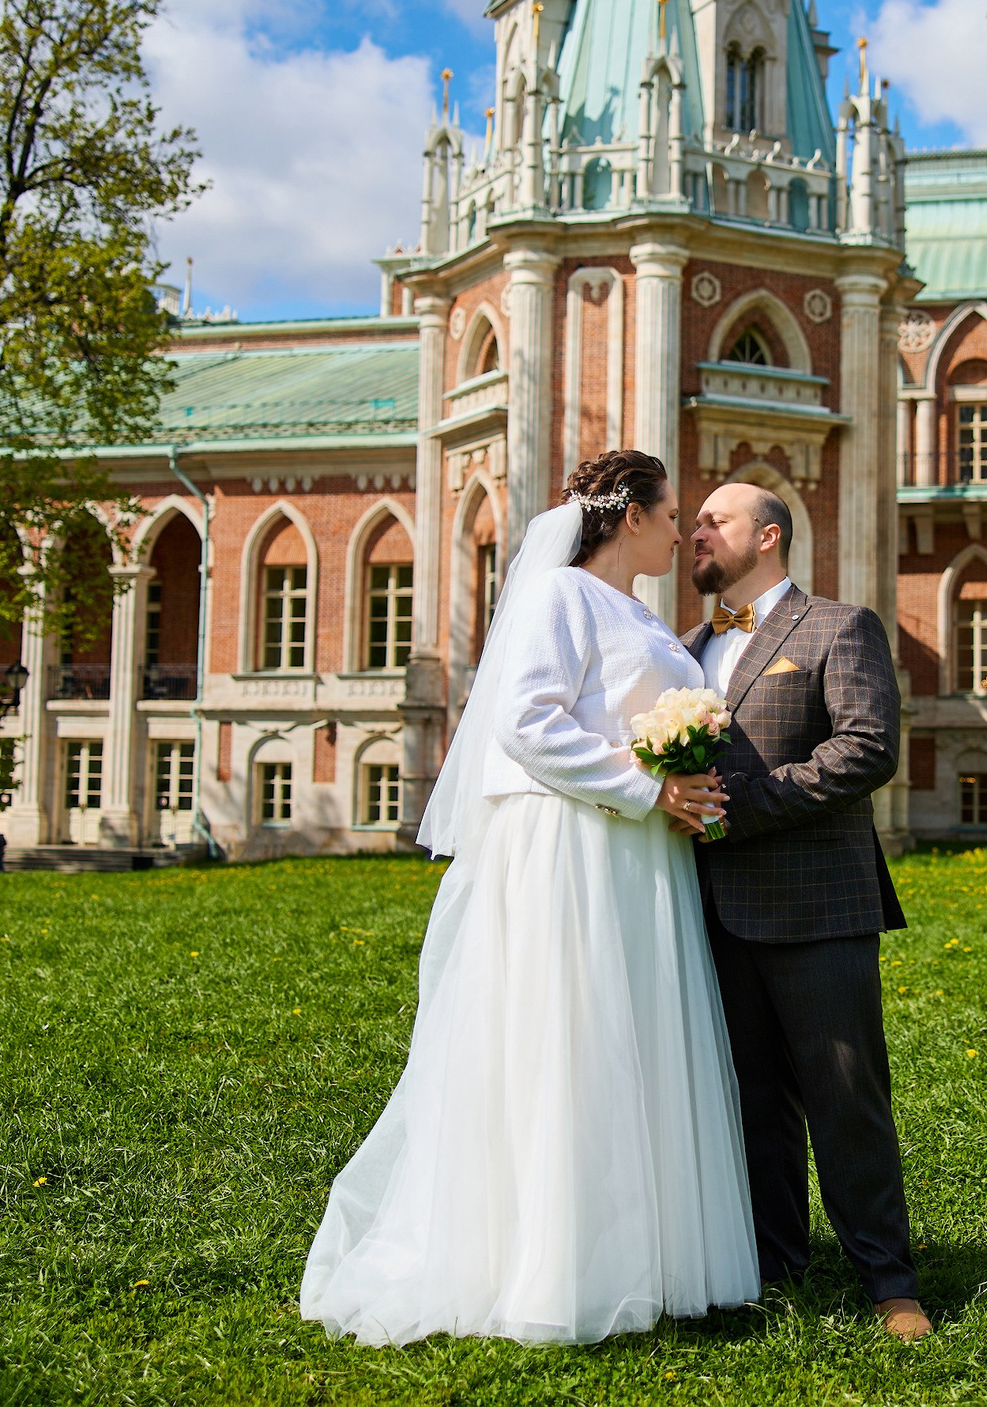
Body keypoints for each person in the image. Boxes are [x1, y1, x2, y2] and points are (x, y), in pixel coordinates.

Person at [301, 451, 756, 1347]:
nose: (681, 529)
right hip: (576, 846)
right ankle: (552, 1265)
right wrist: (645, 784)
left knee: (638, 1040)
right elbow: (528, 721)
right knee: (574, 1039)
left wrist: (680, 780)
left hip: (638, 856)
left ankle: (647, 1254)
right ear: (630, 515)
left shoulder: (640, 612)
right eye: (671, 514)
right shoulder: (558, 596)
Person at [684, 482, 930, 1344]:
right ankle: (772, 1268)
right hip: (711, 914)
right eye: (695, 522)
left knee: (847, 1097)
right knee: (750, 1104)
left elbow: (866, 747)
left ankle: (888, 1280)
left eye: (715, 521)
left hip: (817, 903)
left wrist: (738, 804)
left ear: (770, 535)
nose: (696, 532)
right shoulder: (685, 649)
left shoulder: (839, 625)